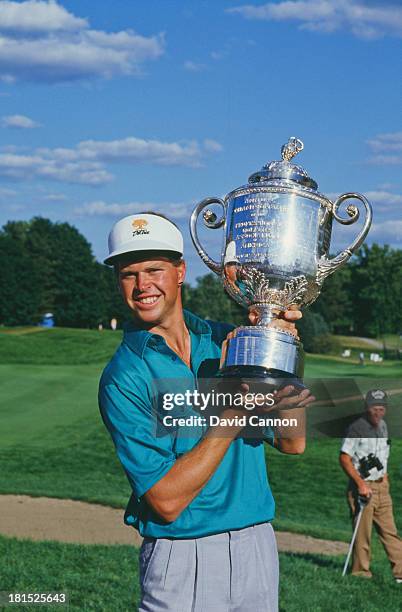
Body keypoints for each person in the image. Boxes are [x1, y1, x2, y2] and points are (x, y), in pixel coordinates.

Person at [99, 212, 314, 611]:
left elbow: (292, 441)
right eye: (129, 274)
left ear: (180, 271)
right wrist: (232, 415)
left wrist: (282, 354)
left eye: (154, 270)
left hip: (256, 547)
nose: (143, 285)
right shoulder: (123, 377)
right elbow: (165, 501)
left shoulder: (225, 342)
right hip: (183, 557)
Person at [339, 389, 402, 582]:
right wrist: (360, 484)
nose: (378, 412)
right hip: (363, 488)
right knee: (362, 533)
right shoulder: (355, 428)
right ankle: (361, 574)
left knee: (390, 531)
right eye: (375, 407)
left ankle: (400, 573)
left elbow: (383, 455)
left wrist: (386, 478)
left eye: (382, 408)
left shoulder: (383, 426)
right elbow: (344, 458)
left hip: (382, 487)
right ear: (367, 408)